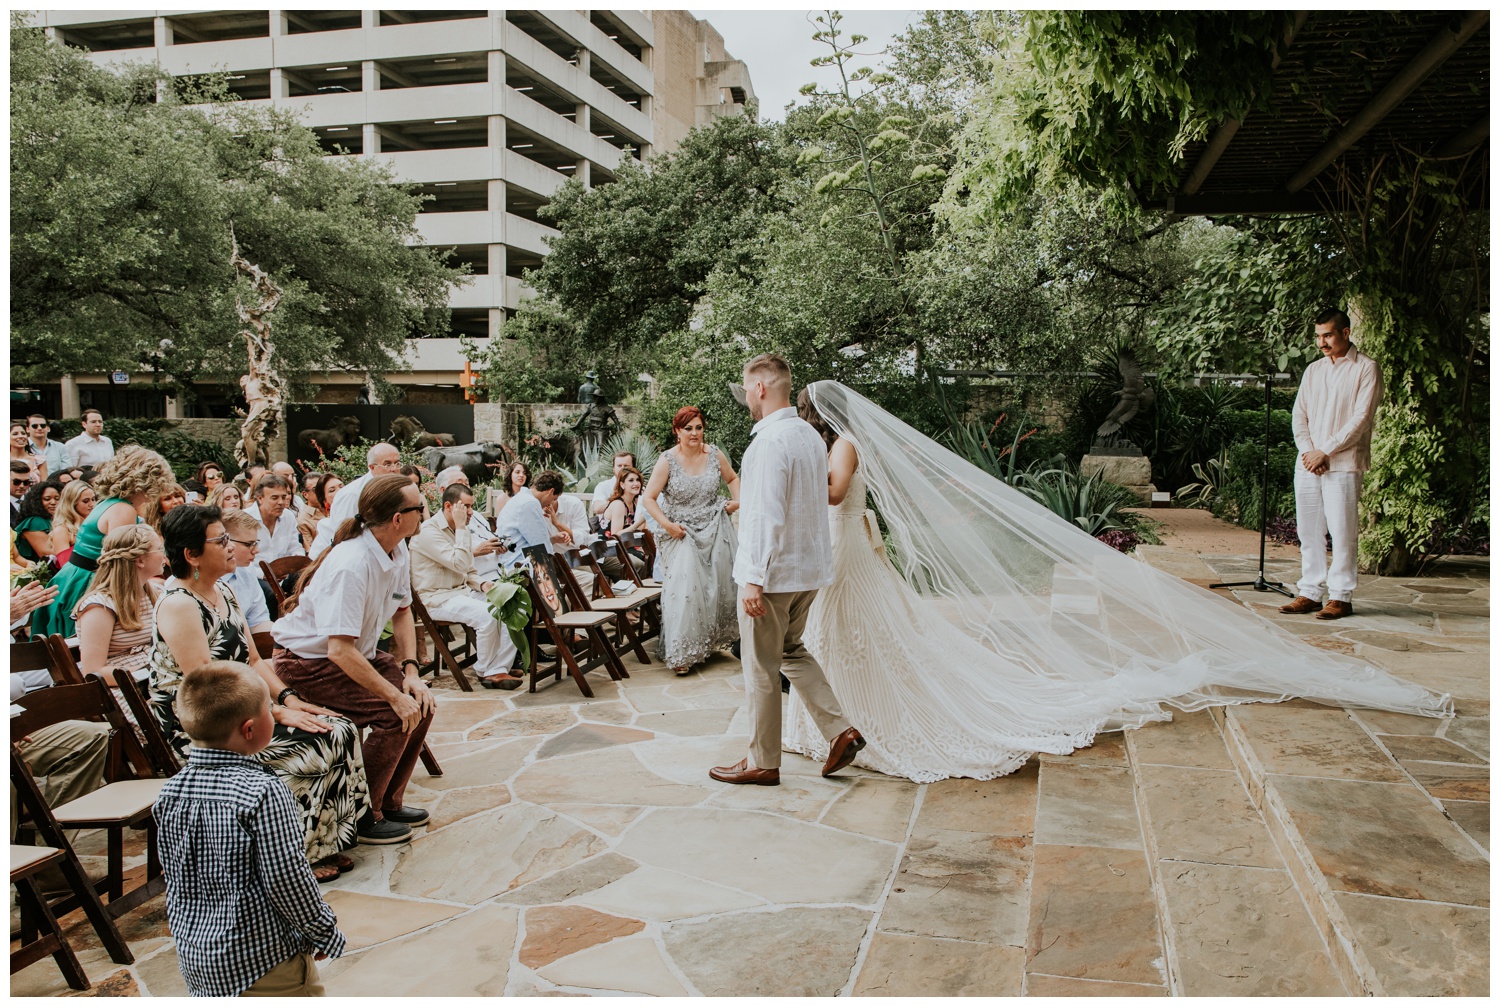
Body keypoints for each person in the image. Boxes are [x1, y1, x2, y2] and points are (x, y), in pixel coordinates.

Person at [783, 379, 1451, 785]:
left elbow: (837, 489)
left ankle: (865, 717)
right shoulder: (821, 442)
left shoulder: (838, 447)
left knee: (862, 632)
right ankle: (835, 720)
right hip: (835, 554)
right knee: (836, 633)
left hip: (847, 554)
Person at [149, 505, 368, 873]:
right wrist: (276, 713)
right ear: (191, 555)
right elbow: (206, 681)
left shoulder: (223, 593)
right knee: (306, 747)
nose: (230, 547)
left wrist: (289, 698)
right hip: (203, 723)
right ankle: (294, 856)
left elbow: (252, 661)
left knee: (338, 729)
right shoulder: (178, 605)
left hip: (244, 707)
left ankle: (326, 839)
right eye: (219, 541)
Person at [712, 355, 863, 786]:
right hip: (808, 572)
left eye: (745, 387)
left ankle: (763, 762)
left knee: (760, 666)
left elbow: (763, 516)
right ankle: (840, 731)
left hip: (774, 576)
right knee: (791, 651)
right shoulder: (811, 438)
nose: (745, 395)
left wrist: (753, 580)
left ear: (760, 387)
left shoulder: (768, 443)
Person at [154, 661, 347, 997]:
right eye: (269, 712)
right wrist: (323, 930)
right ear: (249, 730)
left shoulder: (171, 791)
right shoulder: (263, 792)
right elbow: (286, 878)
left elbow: (174, 872)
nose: (274, 718)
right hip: (265, 959)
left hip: (199, 958)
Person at [272, 474, 436, 845]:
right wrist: (394, 696)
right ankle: (365, 816)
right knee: (396, 713)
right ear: (398, 518)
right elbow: (337, 650)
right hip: (306, 664)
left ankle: (389, 802)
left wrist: (410, 671)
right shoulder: (351, 563)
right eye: (419, 507)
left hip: (352, 654)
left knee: (421, 704)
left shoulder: (397, 549)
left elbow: (402, 611)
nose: (425, 512)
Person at [1279, 308, 1385, 622]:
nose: (1322, 342)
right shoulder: (1313, 371)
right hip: (1309, 463)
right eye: (1318, 336)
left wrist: (1326, 451)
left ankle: (1340, 596)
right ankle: (1310, 592)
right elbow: (1300, 415)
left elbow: (1361, 420)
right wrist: (1310, 452)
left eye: (1327, 335)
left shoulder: (1367, 369)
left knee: (1343, 532)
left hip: (1344, 463)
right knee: (1308, 531)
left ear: (1345, 333)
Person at [36, 445, 178, 638]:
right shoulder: (123, 510)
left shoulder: (109, 502)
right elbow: (122, 561)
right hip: (89, 582)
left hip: (75, 576)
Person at [640, 405, 741, 674]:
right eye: (688, 428)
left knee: (717, 585)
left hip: (715, 525)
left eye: (698, 427)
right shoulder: (667, 460)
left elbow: (732, 478)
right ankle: (681, 652)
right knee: (686, 590)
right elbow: (648, 498)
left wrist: (738, 501)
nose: (694, 433)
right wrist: (667, 525)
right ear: (677, 431)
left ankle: (708, 643)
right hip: (681, 531)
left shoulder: (715, 455)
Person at [411, 483, 519, 689]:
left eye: (471, 506)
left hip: (462, 592)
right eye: (466, 507)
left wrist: (484, 584)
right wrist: (461, 528)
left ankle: (499, 667)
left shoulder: (461, 530)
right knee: (489, 614)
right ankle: (487, 670)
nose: (471, 512)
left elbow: (468, 571)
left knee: (511, 605)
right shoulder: (428, 532)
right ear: (449, 506)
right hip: (436, 599)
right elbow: (458, 562)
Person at [75, 525, 165, 686]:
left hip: (158, 675)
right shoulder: (100, 607)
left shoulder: (157, 592)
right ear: (140, 560)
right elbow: (93, 671)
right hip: (126, 687)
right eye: (160, 549)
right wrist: (152, 673)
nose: (165, 554)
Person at [317, 442, 402, 553]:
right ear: (372, 467)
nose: (394, 469)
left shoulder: (397, 489)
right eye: (387, 464)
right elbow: (343, 536)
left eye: (397, 463)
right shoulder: (352, 494)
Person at [434, 467, 503, 584]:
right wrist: (475, 551)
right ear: (443, 490)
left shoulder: (475, 515)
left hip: (497, 573)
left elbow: (489, 539)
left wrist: (498, 546)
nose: (465, 487)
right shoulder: (439, 525)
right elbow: (450, 561)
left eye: (467, 483)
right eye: (460, 483)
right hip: (473, 582)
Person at [494, 468, 568, 566]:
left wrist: (553, 539)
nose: (550, 504)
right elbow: (542, 548)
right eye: (554, 499)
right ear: (551, 491)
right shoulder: (530, 503)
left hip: (511, 561)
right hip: (520, 567)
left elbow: (530, 539)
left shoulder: (520, 498)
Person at [220, 509, 275, 638]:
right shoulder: (208, 576)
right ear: (226, 541)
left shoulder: (247, 570)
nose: (256, 550)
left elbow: (258, 622)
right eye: (249, 544)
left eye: (256, 543)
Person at [249, 473, 305, 573]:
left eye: (283, 497)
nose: (281, 502)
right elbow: (239, 563)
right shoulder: (245, 519)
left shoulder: (288, 516)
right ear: (260, 498)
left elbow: (295, 547)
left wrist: (297, 558)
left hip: (285, 575)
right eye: (274, 498)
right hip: (256, 576)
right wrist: (263, 575)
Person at [601, 466, 649, 579]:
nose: (636, 483)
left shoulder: (635, 504)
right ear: (622, 485)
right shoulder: (619, 504)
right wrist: (638, 522)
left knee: (651, 557)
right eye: (631, 480)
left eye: (638, 480)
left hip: (626, 548)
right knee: (639, 563)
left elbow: (637, 532)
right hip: (607, 551)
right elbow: (616, 535)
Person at [12, 479, 62, 563]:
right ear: (37, 502)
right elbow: (46, 553)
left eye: (57, 499)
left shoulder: (57, 520)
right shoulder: (34, 522)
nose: (53, 502)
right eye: (47, 499)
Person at [49, 478, 97, 558]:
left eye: (93, 499)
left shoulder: (97, 523)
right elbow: (64, 563)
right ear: (72, 503)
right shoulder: (61, 530)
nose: (92, 504)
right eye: (86, 501)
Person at [299, 473, 341, 553]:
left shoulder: (335, 508)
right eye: (315, 489)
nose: (320, 492)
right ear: (305, 494)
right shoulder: (303, 520)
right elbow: (310, 552)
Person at [24, 413, 72, 479]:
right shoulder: (22, 447)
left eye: (43, 426)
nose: (39, 428)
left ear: (48, 428)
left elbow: (66, 469)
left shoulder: (60, 447)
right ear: (27, 429)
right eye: (35, 426)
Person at [591, 451, 637, 517]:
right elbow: (598, 509)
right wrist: (620, 498)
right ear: (613, 469)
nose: (622, 468)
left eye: (626, 466)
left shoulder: (638, 487)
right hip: (609, 524)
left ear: (633, 468)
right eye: (619, 466)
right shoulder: (603, 486)